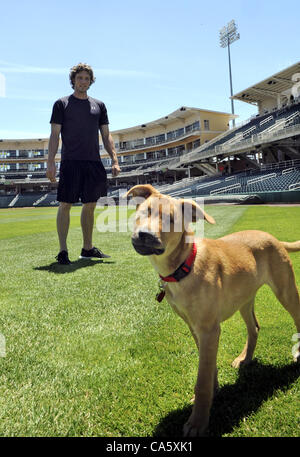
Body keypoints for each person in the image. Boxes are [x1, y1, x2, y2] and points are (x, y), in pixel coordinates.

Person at [46, 63, 120, 264]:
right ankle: (63, 251)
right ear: (73, 80)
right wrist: (50, 161)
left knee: (90, 205)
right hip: (70, 162)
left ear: (91, 81)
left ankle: (87, 249)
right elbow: (54, 135)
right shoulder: (61, 104)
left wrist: (114, 159)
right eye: (80, 78)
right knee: (65, 204)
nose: (83, 82)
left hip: (93, 162)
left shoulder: (99, 106)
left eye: (87, 78)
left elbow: (106, 135)